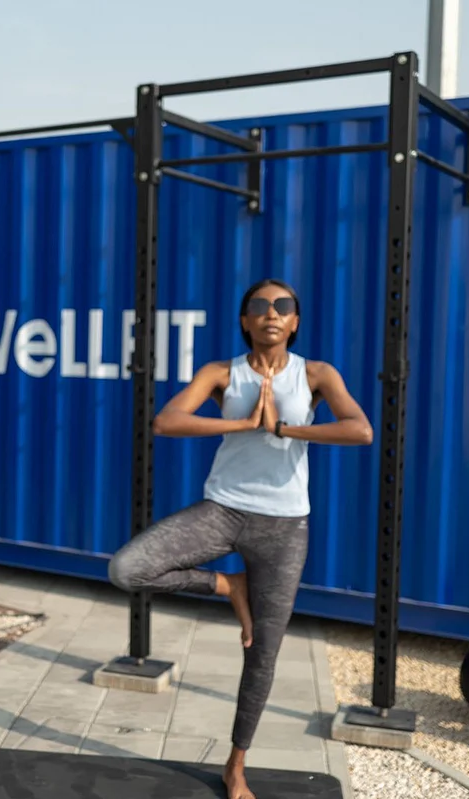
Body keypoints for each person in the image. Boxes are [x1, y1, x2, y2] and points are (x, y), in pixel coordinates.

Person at [107, 278, 372, 799]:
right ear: (245, 321)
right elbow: (166, 421)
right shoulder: (221, 373)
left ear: (295, 322)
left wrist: (283, 430)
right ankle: (231, 587)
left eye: (283, 306)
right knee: (127, 568)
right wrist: (244, 423)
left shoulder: (316, 374)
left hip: (285, 527)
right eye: (259, 306)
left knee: (263, 653)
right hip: (223, 510)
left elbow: (360, 430)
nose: (271, 313)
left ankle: (236, 765)